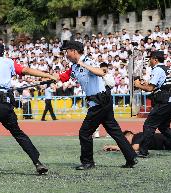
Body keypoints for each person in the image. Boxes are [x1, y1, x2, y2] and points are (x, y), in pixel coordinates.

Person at [0, 42, 57, 179]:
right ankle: (37, 162)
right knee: (18, 133)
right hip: (5, 105)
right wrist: (49, 76)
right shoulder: (9, 62)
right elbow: (26, 70)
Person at [55, 41, 137, 169]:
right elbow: (64, 77)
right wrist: (52, 77)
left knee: (84, 132)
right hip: (100, 101)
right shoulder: (74, 67)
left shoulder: (88, 60)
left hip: (99, 102)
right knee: (115, 131)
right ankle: (131, 158)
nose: (66, 54)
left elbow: (101, 72)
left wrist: (84, 64)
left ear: (74, 51)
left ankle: (88, 162)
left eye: (67, 51)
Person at [134, 51, 171, 158]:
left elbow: (150, 88)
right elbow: (158, 85)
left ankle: (143, 152)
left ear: (155, 59)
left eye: (150, 58)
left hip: (163, 102)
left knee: (149, 125)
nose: (149, 60)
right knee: (163, 127)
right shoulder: (166, 68)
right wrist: (145, 84)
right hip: (169, 102)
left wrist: (138, 85)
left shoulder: (157, 69)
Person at [103, 130, 171, 152]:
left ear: (130, 135)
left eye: (125, 139)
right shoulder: (137, 138)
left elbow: (135, 148)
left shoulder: (137, 136)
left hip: (168, 141)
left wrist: (117, 147)